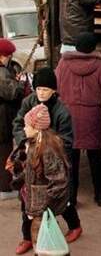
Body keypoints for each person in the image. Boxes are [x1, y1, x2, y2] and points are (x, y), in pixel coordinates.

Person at [13, 67, 82, 254]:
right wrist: (26, 142)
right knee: (27, 201)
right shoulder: (29, 102)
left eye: (45, 89)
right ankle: (27, 237)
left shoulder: (61, 111)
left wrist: (46, 147)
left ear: (54, 90)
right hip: (31, 159)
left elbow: (67, 141)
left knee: (60, 200)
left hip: (51, 161)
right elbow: (18, 124)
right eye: (38, 88)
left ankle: (74, 226)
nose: (41, 92)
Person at [55, 32, 101, 207]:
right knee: (95, 157)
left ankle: (71, 198)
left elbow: (56, 87)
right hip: (91, 116)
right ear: (93, 47)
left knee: (71, 158)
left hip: (68, 115)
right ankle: (100, 195)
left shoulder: (63, 64)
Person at [10, 108, 71, 253]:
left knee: (41, 238)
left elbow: (59, 180)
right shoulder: (33, 143)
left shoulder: (47, 149)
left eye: (27, 125)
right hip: (37, 201)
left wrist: (47, 204)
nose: (24, 128)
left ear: (37, 128)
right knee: (40, 237)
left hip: (42, 203)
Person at [0, 38, 24, 200]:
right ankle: (5, 188)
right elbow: (12, 93)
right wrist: (21, 83)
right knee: (4, 151)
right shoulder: (1, 72)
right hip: (2, 118)